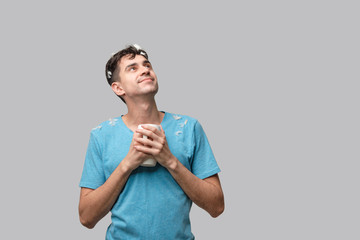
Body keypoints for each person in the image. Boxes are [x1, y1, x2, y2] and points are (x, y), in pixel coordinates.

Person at [78, 44, 224, 239]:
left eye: (147, 65)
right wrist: (127, 164)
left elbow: (217, 207)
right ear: (118, 88)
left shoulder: (189, 128)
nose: (145, 69)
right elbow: (86, 218)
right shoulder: (101, 135)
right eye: (133, 67)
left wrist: (170, 161)